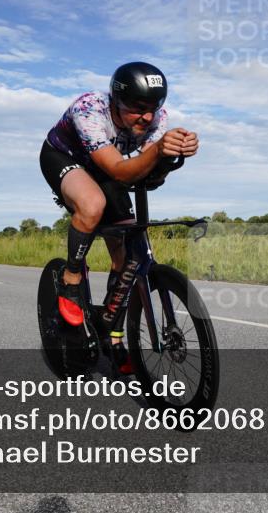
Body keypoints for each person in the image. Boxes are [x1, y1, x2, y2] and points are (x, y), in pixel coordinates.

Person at [41, 62, 198, 371]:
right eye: (138, 108)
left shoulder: (156, 120)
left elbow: (149, 177)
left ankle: (111, 331)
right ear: (115, 99)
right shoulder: (88, 110)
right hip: (64, 158)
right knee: (92, 204)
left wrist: (171, 156)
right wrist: (157, 152)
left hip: (106, 167)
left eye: (154, 107)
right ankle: (71, 279)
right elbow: (118, 170)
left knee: (125, 254)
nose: (148, 116)